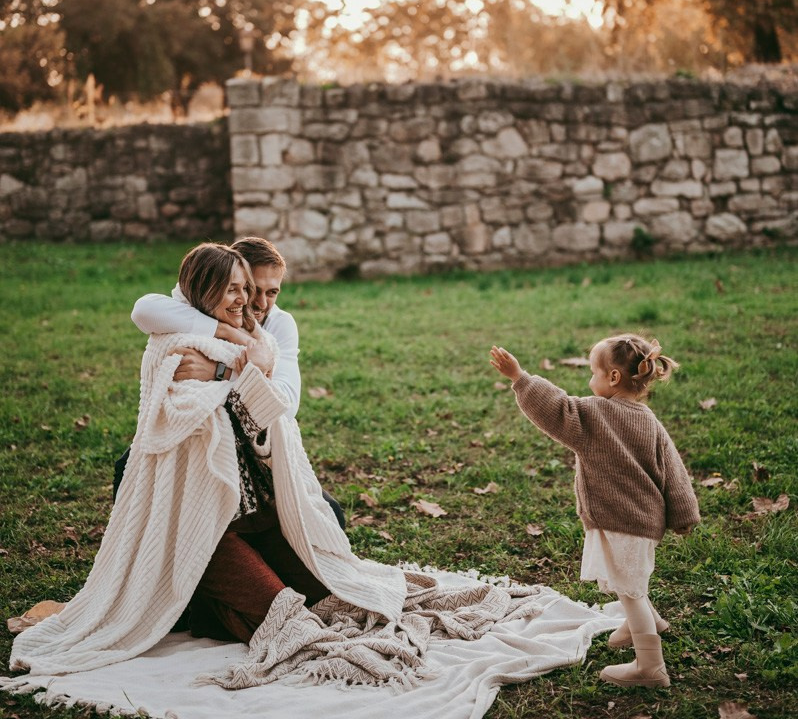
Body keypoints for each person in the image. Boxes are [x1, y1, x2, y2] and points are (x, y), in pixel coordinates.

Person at [10, 243, 405, 678]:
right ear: (203, 291)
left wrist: (229, 368)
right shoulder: (180, 337)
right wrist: (241, 355)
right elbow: (150, 322)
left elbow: (281, 405)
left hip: (260, 496)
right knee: (286, 617)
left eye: (265, 292)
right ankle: (198, 603)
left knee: (336, 590)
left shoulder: (272, 331)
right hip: (204, 512)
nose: (254, 301)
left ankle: (208, 601)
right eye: (240, 289)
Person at [490, 334, 700, 689]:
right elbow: (674, 471)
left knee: (629, 589)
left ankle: (650, 666)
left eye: (593, 373)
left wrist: (520, 377)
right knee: (629, 578)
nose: (590, 381)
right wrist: (685, 515)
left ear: (614, 378)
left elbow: (555, 407)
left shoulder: (593, 414)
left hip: (620, 520)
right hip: (646, 521)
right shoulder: (649, 420)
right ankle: (650, 622)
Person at [117, 236, 345, 530]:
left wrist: (220, 371)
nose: (261, 303)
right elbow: (144, 310)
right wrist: (225, 331)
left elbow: (285, 404)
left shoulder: (279, 323)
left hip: (251, 443)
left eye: (272, 292)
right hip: (194, 437)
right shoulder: (203, 304)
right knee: (130, 470)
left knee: (331, 516)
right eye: (251, 289)